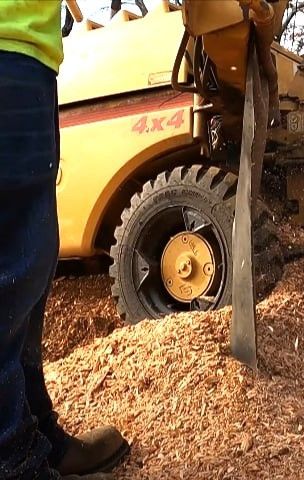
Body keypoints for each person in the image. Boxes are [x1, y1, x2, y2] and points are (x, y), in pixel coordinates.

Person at [0, 3, 130, 479]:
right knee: (10, 270)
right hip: (8, 51)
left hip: (27, 55)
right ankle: (13, 462)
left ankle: (33, 431)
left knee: (28, 264)